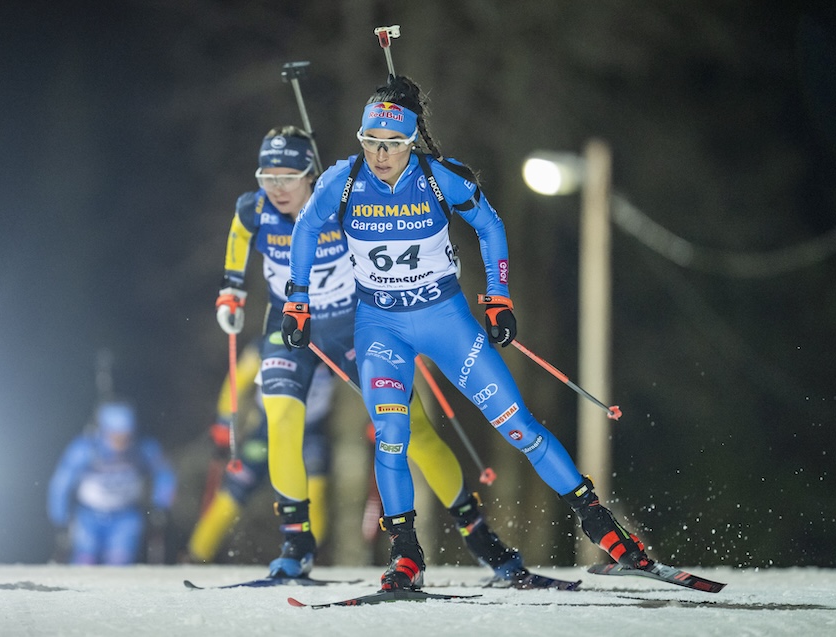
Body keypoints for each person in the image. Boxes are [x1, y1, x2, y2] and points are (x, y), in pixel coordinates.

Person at [282, 75, 653, 591]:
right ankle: (406, 555)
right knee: (392, 436)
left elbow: (490, 225)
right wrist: (297, 299)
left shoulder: (439, 177)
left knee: (518, 426)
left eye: (392, 144)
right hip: (381, 326)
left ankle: (601, 525)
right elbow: (305, 227)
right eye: (371, 142)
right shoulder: (341, 182)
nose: (380, 155)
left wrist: (498, 296)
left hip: (445, 320)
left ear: (411, 141)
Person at [216, 125, 533, 582]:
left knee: (415, 430)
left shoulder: (338, 202)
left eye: (289, 177)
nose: (278, 188)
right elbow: (238, 234)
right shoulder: (255, 208)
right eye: (268, 177)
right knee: (280, 418)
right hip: (295, 329)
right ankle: (296, 543)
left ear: (311, 174)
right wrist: (231, 291)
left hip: (354, 328)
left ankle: (478, 533)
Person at [185, 345, 334, 563]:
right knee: (233, 492)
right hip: (267, 432)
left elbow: (364, 374)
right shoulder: (267, 343)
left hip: (308, 432)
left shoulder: (329, 342)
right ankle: (196, 555)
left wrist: (378, 415)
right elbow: (238, 379)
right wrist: (224, 421)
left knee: (315, 490)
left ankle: (311, 555)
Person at [47, 400, 177, 565]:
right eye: (115, 436)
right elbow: (61, 483)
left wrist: (161, 505)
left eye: (126, 436)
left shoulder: (142, 449)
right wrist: (60, 518)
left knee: (119, 562)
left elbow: (164, 474)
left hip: (125, 517)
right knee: (84, 561)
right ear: (103, 430)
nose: (121, 442)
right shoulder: (85, 449)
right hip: (88, 516)